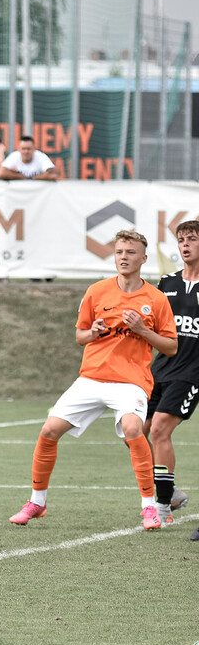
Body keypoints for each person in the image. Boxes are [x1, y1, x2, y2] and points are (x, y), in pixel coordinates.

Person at [9, 230, 177, 532]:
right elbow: (80, 336)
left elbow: (171, 346)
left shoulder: (156, 298)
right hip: (92, 378)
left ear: (143, 258)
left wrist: (142, 330)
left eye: (130, 252)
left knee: (132, 429)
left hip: (131, 381)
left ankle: (150, 507)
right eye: (119, 252)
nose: (124, 257)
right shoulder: (97, 291)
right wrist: (94, 333)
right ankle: (37, 501)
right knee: (48, 430)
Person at [145, 221, 199, 534]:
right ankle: (172, 493)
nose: (185, 245)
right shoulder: (167, 283)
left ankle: (162, 505)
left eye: (191, 239)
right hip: (160, 368)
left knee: (161, 429)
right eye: (181, 240)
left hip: (192, 371)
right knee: (134, 431)